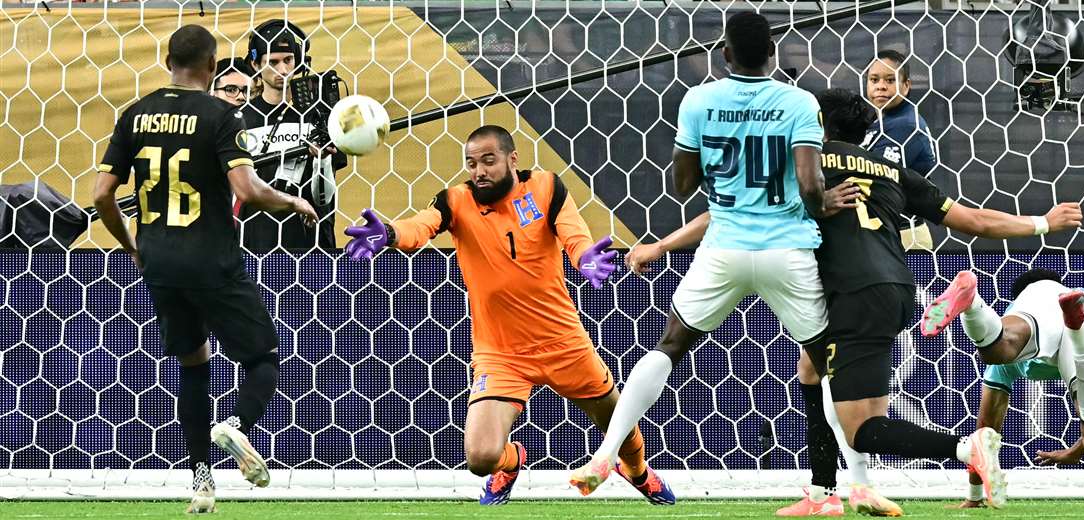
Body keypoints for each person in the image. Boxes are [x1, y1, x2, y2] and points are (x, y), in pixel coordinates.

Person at [618, 88, 1084, 513]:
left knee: (864, 428)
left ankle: (966, 449)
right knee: (810, 367)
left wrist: (660, 246)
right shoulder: (891, 169)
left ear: (816, 123)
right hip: (896, 290)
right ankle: (823, 493)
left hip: (856, 296)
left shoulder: (804, 163)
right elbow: (976, 221)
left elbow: (725, 215)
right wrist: (1043, 222)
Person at [567, 12, 876, 511]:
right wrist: (822, 201)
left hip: (725, 248)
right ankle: (858, 483)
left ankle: (606, 454)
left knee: (671, 344)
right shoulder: (798, 102)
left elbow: (683, 185)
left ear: (725, 54)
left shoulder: (699, 100)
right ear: (773, 53)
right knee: (826, 365)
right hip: (786, 249)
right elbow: (809, 183)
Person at [342, 125, 675, 506]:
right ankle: (512, 460)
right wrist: (388, 231)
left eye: (488, 160)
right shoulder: (455, 201)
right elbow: (420, 225)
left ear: (511, 159)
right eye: (471, 164)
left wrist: (585, 258)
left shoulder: (546, 187)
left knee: (618, 424)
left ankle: (635, 470)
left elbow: (575, 235)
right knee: (479, 458)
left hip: (564, 344)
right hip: (501, 355)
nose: (479, 171)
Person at [90, 24, 317, 514]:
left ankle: (200, 482)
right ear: (213, 68)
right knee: (263, 356)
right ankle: (235, 426)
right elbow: (249, 190)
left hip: (159, 262)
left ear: (167, 61)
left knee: (194, 363)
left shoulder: (134, 115)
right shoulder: (221, 115)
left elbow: (102, 195)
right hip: (211, 259)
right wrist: (294, 201)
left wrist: (131, 246)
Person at [921, 268, 1084, 507]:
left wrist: (974, 494)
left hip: (1036, 307)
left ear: (1016, 300)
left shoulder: (1029, 300)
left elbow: (986, 428)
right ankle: (1078, 332)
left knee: (997, 348)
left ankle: (973, 303)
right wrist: (1081, 447)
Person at [238, 19, 346, 251]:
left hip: (311, 243)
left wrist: (322, 160)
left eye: (288, 60)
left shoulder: (318, 116)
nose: (283, 70)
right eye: (273, 62)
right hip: (252, 244)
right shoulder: (239, 119)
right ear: (256, 64)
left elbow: (326, 196)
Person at [862, 49, 937, 174]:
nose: (881, 86)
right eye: (874, 80)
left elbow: (874, 177)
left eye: (890, 80)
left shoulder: (906, 126)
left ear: (906, 86)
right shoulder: (875, 119)